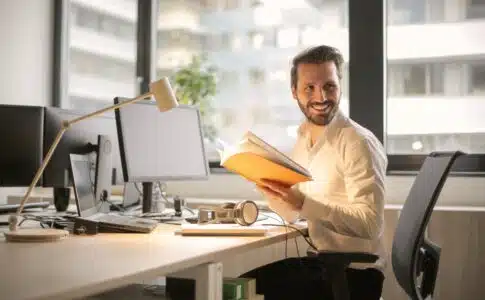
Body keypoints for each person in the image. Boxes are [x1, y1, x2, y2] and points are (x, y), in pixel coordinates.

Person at [240, 45, 388, 300]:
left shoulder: (357, 142)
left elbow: (370, 223)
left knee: (241, 290)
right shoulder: (303, 138)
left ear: (340, 86)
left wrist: (303, 202)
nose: (321, 97)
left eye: (329, 86)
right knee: (239, 285)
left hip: (354, 277)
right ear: (294, 93)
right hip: (324, 266)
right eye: (309, 88)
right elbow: (296, 213)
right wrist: (274, 192)